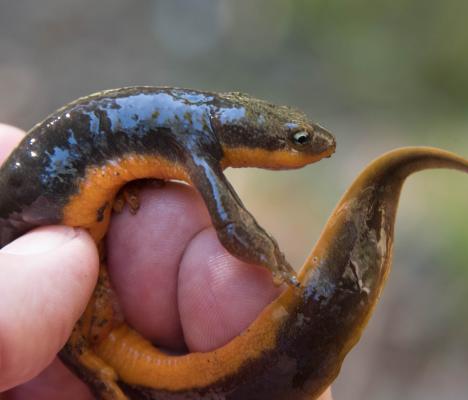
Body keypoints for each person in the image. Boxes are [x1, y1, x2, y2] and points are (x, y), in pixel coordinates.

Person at [0, 124, 332, 400]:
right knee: (88, 350)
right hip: (45, 238)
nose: (320, 148)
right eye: (299, 141)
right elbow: (232, 226)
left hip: (76, 251)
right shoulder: (197, 139)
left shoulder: (191, 138)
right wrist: (269, 258)